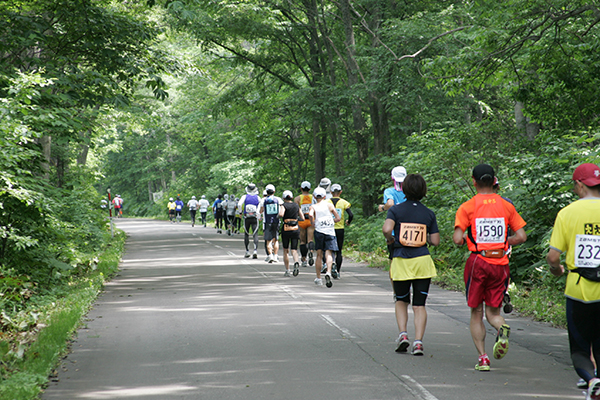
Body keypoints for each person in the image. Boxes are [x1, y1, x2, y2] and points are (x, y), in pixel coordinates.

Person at [453, 164, 527, 372]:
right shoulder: (506, 206)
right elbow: (522, 236)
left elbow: (458, 239)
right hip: (500, 264)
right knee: (493, 312)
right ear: (494, 180)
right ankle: (499, 326)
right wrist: (504, 242)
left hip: (478, 262)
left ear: (474, 181)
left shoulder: (467, 207)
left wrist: (467, 238)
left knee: (476, 312)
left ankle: (483, 358)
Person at [546, 163, 600, 400]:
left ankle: (591, 380)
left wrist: (556, 270)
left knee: (579, 346)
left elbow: (553, 256)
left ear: (580, 184)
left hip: (577, 289)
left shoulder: (567, 213)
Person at [382, 174, 440, 356]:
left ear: (404, 189)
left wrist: (391, 239)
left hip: (401, 260)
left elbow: (386, 229)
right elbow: (435, 241)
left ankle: (403, 334)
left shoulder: (396, 211)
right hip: (422, 261)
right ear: (423, 191)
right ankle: (418, 342)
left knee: (401, 300)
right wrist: (425, 238)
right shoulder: (429, 213)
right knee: (419, 304)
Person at [309, 187, 340, 288]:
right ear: (324, 196)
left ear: (314, 196)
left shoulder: (313, 207)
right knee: (329, 253)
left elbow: (310, 215)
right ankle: (329, 272)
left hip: (319, 231)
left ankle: (318, 278)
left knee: (319, 254)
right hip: (330, 231)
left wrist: (312, 222)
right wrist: (332, 221)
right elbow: (338, 218)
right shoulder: (330, 205)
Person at [379, 167, 408, 261]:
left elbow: (390, 204)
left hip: (394, 232)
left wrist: (383, 207)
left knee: (394, 260)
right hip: (410, 230)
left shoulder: (389, 191)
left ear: (392, 178)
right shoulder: (411, 191)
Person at [328, 184, 353, 279]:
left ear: (331, 192)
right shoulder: (344, 203)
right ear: (340, 192)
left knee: (329, 251)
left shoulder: (327, 202)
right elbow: (351, 215)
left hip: (329, 228)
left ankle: (329, 270)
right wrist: (348, 222)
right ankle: (337, 271)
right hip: (340, 229)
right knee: (339, 251)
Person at [279, 190, 305, 277]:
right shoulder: (296, 206)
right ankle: (296, 262)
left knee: (285, 250)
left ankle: (287, 270)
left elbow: (281, 214)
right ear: (292, 197)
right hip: (295, 229)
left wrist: (278, 215)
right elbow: (302, 217)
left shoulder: (283, 205)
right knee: (294, 249)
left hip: (286, 229)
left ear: (283, 198)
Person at [259, 184, 283, 263]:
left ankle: (270, 255)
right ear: (274, 191)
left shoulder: (264, 200)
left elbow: (261, 210)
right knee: (275, 239)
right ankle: (276, 256)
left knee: (268, 240)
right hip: (276, 221)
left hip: (267, 222)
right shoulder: (278, 199)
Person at [295, 181, 315, 268]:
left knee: (302, 241)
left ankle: (304, 259)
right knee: (310, 239)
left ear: (301, 188)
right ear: (310, 189)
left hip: (302, 221)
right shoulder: (313, 197)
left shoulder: (297, 198)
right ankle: (311, 251)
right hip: (311, 220)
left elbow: (295, 210)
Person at [238, 184, 261, 259]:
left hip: (246, 217)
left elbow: (239, 204)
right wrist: (259, 214)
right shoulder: (257, 197)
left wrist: (240, 212)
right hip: (255, 217)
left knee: (246, 233)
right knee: (255, 233)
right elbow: (261, 205)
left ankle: (247, 251)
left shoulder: (244, 196)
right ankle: (255, 250)